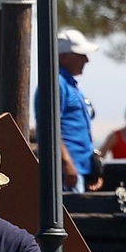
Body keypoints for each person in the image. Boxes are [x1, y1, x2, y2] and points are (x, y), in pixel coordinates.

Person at [49, 29, 100, 192]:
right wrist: (67, 163)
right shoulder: (57, 84)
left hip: (77, 170)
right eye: (80, 55)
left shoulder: (68, 85)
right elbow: (50, 127)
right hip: (69, 172)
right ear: (64, 57)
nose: (86, 60)